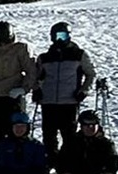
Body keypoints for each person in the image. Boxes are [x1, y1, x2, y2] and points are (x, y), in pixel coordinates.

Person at [33, 22, 96, 160]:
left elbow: (90, 74)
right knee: (49, 135)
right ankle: (51, 160)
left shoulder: (78, 55)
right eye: (57, 36)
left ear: (69, 36)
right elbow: (36, 76)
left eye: (63, 35)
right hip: (48, 101)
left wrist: (83, 91)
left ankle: (68, 162)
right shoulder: (45, 57)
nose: (60, 39)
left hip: (69, 101)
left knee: (69, 135)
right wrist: (36, 90)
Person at [56, 110, 118, 174]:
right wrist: (64, 171)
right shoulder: (72, 141)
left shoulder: (106, 143)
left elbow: (113, 160)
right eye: (87, 125)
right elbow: (61, 159)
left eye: (94, 124)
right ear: (81, 126)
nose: (90, 127)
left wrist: (110, 171)